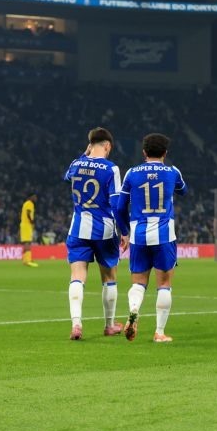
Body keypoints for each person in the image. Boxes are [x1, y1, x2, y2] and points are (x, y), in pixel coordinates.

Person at [116, 133, 187, 343]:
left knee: (138, 283)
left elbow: (120, 207)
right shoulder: (172, 172)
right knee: (164, 283)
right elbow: (183, 190)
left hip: (139, 236)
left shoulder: (132, 173)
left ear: (144, 152)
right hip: (164, 236)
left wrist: (124, 232)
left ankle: (134, 309)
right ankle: (159, 332)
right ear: (165, 152)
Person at [63, 127, 124, 340]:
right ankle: (109, 325)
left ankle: (76, 324)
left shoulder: (76, 164)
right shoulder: (111, 169)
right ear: (107, 146)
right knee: (109, 277)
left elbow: (66, 177)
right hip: (104, 230)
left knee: (77, 276)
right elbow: (116, 203)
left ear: (90, 145)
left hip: (78, 229)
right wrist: (124, 230)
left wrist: (85, 153)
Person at [20, 194, 38, 267]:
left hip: (24, 225)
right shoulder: (30, 203)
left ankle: (25, 260)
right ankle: (28, 260)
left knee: (26, 242)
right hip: (27, 225)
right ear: (31, 197)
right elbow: (28, 213)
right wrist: (31, 221)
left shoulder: (25, 203)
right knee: (27, 242)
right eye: (34, 197)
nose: (36, 198)